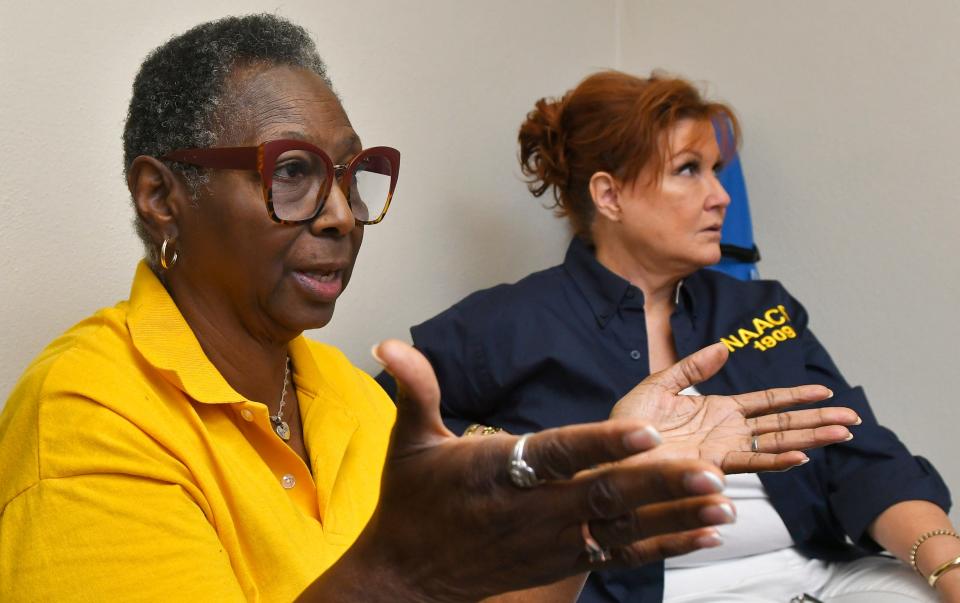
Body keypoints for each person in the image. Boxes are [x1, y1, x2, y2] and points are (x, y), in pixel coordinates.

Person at [0, 16, 866, 603]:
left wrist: (591, 505)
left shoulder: (341, 393)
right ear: (161, 195)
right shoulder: (88, 413)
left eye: (350, 172)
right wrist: (401, 571)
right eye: (293, 172)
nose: (341, 211)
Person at [378, 71, 959, 602]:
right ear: (609, 196)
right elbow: (372, 427)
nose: (721, 197)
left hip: (823, 576)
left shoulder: (760, 310)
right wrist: (505, 453)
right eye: (689, 170)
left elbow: (863, 456)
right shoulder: (507, 322)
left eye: (716, 170)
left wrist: (947, 570)